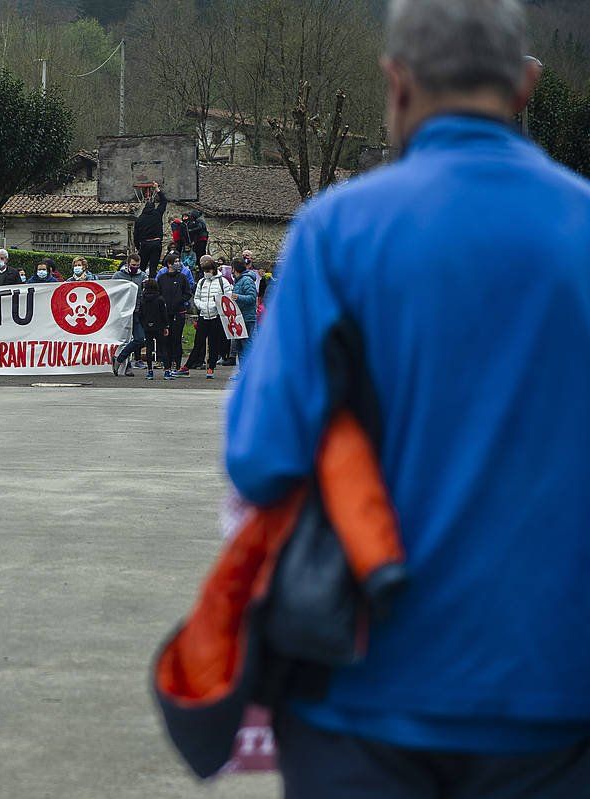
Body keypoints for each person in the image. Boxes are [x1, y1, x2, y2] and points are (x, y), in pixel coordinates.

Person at [228, 1, 590, 796]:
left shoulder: (335, 233)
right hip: (557, 697)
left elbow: (260, 458)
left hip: (362, 698)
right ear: (525, 86)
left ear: (397, 82)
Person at [157, 253, 193, 378]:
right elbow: (158, 293)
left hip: (179, 312)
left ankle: (176, 364)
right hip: (166, 313)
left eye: (179, 261)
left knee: (176, 339)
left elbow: (188, 293)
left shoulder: (182, 277)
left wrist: (179, 300)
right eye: (175, 261)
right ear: (169, 264)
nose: (178, 263)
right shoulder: (162, 278)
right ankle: (165, 363)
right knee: (166, 339)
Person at [191, 256, 229, 378]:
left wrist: (215, 305)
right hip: (203, 315)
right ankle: (189, 365)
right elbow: (196, 297)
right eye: (204, 271)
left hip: (216, 316)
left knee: (214, 343)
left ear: (213, 269)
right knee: (198, 342)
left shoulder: (223, 282)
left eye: (208, 271)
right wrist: (201, 306)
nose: (206, 273)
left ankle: (211, 367)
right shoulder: (202, 282)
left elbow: (226, 298)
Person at [110, 254, 147, 377]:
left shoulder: (142, 276)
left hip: (136, 313)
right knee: (123, 341)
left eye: (137, 265)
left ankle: (119, 359)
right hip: (121, 314)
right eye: (133, 265)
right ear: (127, 264)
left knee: (139, 339)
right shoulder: (118, 276)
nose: (135, 267)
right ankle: (127, 367)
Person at [136, 280, 170, 380]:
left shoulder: (143, 299)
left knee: (149, 348)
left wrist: (144, 324)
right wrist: (166, 326)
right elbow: (164, 314)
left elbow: (140, 314)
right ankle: (167, 370)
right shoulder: (160, 299)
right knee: (163, 347)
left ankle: (150, 371)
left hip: (147, 326)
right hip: (159, 326)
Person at [133, 182, 168, 278]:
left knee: (142, 268)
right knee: (153, 267)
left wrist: (138, 246)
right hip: (156, 243)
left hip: (144, 244)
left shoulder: (140, 219)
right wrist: (157, 189)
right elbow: (164, 201)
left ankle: (139, 284)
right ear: (153, 207)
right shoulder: (157, 213)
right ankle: (152, 285)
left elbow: (135, 235)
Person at [230, 258, 258, 369]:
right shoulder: (238, 280)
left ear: (235, 269)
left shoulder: (246, 280)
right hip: (239, 317)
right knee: (239, 345)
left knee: (246, 344)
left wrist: (238, 297)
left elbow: (252, 297)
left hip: (247, 317)